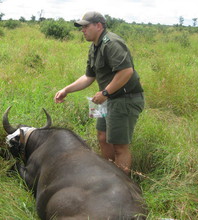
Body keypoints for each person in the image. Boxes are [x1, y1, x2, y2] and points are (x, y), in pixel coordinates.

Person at [54, 11, 144, 175]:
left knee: (119, 146)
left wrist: (105, 92)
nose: (83, 30)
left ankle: (122, 185)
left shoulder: (112, 43)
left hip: (124, 99)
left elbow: (126, 71)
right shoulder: (94, 47)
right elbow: (89, 76)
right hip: (108, 99)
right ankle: (109, 176)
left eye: (86, 26)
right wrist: (66, 90)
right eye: (82, 27)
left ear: (99, 26)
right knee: (103, 137)